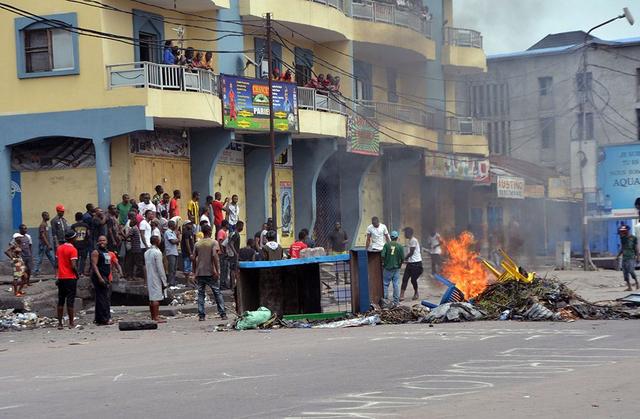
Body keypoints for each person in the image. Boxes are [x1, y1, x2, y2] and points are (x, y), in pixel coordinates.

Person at [193, 225, 226, 321]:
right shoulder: (213, 242)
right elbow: (215, 256)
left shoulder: (197, 244)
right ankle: (222, 313)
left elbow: (193, 258)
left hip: (200, 272)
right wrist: (216, 270)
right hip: (210, 271)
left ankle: (201, 315)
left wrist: (194, 272)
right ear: (210, 231)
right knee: (217, 292)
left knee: (201, 294)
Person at [56, 230, 79, 329]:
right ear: (72, 239)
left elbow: (57, 264)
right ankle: (71, 323)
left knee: (61, 300)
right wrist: (77, 274)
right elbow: (73, 265)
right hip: (70, 278)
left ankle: (60, 323)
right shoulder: (73, 250)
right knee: (70, 301)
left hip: (61, 277)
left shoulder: (59, 248)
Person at [90, 235, 114, 325]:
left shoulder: (107, 252)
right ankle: (105, 319)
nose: (102, 242)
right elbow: (94, 265)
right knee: (103, 298)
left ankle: (99, 318)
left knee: (103, 297)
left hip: (105, 276)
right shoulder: (96, 252)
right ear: (97, 242)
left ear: (106, 241)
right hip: (99, 276)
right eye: (100, 240)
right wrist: (100, 277)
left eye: (103, 240)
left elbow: (108, 265)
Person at [144, 236, 167, 323]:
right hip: (156, 276)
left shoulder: (146, 252)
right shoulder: (157, 252)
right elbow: (160, 268)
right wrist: (164, 280)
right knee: (156, 297)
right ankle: (156, 317)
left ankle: (153, 316)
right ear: (157, 242)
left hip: (149, 276)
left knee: (151, 297)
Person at [381, 231, 404, 305]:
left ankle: (385, 301)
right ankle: (396, 302)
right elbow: (402, 258)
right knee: (396, 284)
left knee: (385, 284)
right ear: (397, 238)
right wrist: (400, 265)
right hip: (396, 268)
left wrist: (384, 263)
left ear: (390, 237)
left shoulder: (386, 245)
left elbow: (382, 255)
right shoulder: (400, 246)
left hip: (387, 268)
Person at [400, 227, 423, 301]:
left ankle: (416, 293)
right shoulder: (410, 241)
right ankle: (401, 295)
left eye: (405, 233)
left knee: (413, 280)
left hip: (416, 264)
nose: (404, 234)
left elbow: (411, 252)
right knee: (405, 279)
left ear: (409, 233)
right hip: (410, 264)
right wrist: (407, 260)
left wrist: (404, 258)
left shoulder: (413, 240)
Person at [617, 225, 639, 291]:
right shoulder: (622, 239)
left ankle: (637, 282)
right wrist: (618, 256)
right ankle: (629, 287)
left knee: (631, 271)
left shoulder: (634, 238)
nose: (622, 233)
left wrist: (638, 257)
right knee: (625, 272)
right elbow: (622, 248)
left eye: (623, 231)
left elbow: (636, 248)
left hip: (631, 257)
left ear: (627, 231)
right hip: (624, 258)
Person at [34, 211, 55, 275]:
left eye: (48, 215)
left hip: (46, 244)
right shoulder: (42, 225)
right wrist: (48, 244)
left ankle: (57, 269)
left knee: (52, 258)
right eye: (47, 215)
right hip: (43, 244)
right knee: (40, 258)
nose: (48, 217)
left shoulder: (46, 224)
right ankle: (36, 272)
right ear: (43, 216)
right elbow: (43, 235)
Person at [71, 212, 90, 277]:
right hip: (84, 245)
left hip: (75, 245)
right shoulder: (86, 225)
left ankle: (75, 273)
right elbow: (88, 234)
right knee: (83, 259)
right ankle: (81, 272)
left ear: (76, 218)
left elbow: (72, 235)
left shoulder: (73, 226)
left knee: (76, 259)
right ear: (82, 217)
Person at [125, 215, 145, 280]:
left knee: (138, 264)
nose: (130, 222)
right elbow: (132, 238)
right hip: (136, 249)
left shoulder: (133, 228)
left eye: (131, 221)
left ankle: (144, 277)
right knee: (133, 263)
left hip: (136, 249)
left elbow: (126, 237)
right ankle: (133, 276)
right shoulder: (136, 228)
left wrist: (120, 231)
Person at [226, 220, 243, 289]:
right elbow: (231, 243)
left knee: (233, 269)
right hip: (233, 255)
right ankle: (233, 285)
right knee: (233, 270)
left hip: (232, 254)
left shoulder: (233, 233)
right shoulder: (236, 234)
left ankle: (232, 285)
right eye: (242, 226)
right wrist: (235, 253)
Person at [164, 220, 180, 286]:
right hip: (170, 252)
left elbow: (177, 242)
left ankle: (173, 281)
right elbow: (173, 241)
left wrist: (177, 240)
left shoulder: (173, 232)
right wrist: (178, 239)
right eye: (174, 225)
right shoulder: (168, 232)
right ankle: (171, 282)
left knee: (174, 268)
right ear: (171, 225)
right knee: (171, 268)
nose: (176, 226)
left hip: (175, 252)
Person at [217, 220, 230, 288]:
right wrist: (223, 251)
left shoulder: (225, 232)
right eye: (228, 224)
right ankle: (222, 284)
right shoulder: (221, 232)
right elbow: (220, 242)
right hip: (222, 253)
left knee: (226, 269)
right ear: (225, 225)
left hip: (225, 253)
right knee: (223, 269)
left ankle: (224, 283)